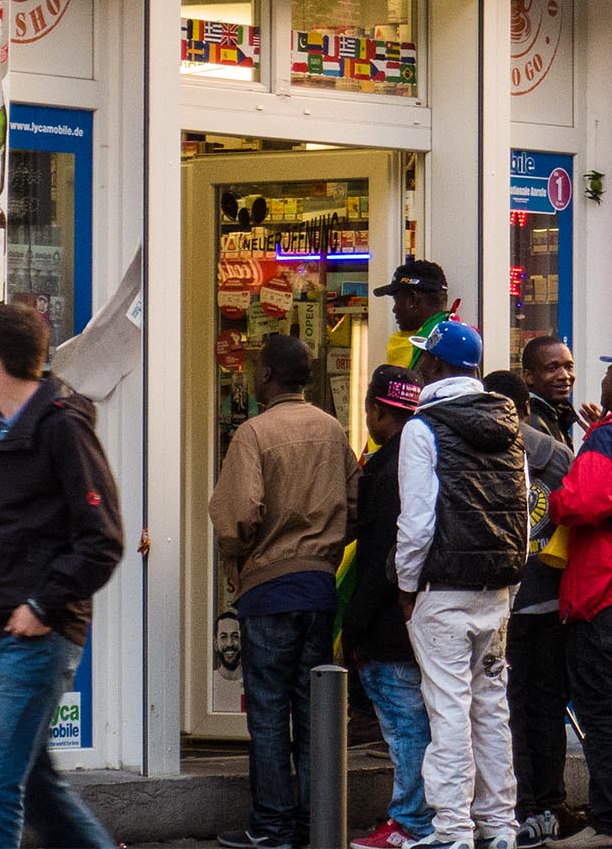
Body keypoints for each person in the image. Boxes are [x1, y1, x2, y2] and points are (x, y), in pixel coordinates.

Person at [0, 304, 124, 849]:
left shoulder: (62, 430)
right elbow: (2, 524)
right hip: (2, 633)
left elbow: (103, 539)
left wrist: (42, 604)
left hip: (38, 635)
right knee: (38, 785)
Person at [211, 334, 361, 849]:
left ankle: (272, 826)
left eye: (257, 369)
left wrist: (240, 554)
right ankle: (314, 822)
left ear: (268, 376)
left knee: (270, 712)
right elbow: (356, 502)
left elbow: (235, 517)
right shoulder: (331, 429)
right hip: (319, 588)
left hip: (268, 590)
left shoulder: (253, 434)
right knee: (315, 709)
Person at [396, 321, 529, 849]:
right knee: (490, 707)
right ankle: (499, 826)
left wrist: (407, 586)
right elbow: (521, 511)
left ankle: (452, 830)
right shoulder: (509, 425)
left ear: (436, 366)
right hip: (495, 591)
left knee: (448, 706)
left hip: (443, 590)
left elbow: (417, 523)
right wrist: (511, 585)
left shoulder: (422, 428)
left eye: (424, 359)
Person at [547, 345, 612, 849]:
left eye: (610, 375)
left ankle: (610, 822)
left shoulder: (610, 436)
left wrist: (555, 498)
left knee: (602, 713)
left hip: (598, 589)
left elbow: (585, 499)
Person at [481, 369, 574, 849]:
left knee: (505, 708)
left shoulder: (480, 450)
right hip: (551, 596)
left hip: (506, 601)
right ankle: (549, 805)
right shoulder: (556, 454)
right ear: (528, 406)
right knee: (546, 706)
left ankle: (518, 807)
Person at [344, 365, 434, 849]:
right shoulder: (431, 456)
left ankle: (411, 821)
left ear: (378, 411)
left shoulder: (385, 469)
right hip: (433, 614)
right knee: (427, 724)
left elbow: (384, 553)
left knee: (406, 729)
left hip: (390, 625)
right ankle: (430, 818)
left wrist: (354, 626)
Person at [374, 260, 457, 368]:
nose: (394, 309)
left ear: (413, 300)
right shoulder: (454, 341)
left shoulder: (435, 353)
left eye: (397, 300)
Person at [522, 335, 579, 450]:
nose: (565, 376)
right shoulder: (532, 423)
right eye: (552, 368)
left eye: (569, 367)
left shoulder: (554, 414)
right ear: (529, 376)